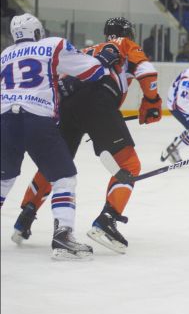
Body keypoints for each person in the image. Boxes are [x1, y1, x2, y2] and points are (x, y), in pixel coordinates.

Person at [12, 17, 163, 254]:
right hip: (99, 101)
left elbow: (61, 81)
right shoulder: (124, 44)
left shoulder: (85, 51)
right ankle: (107, 220)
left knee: (56, 164)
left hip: (66, 106)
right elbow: (147, 72)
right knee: (129, 164)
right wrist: (152, 102)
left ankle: (25, 216)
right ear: (128, 33)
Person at [1, 13, 116, 259]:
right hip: (36, 120)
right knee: (64, 178)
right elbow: (93, 72)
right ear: (37, 32)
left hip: (5, 121)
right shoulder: (52, 45)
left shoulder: (4, 55)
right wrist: (104, 60)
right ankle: (63, 236)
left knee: (4, 179)